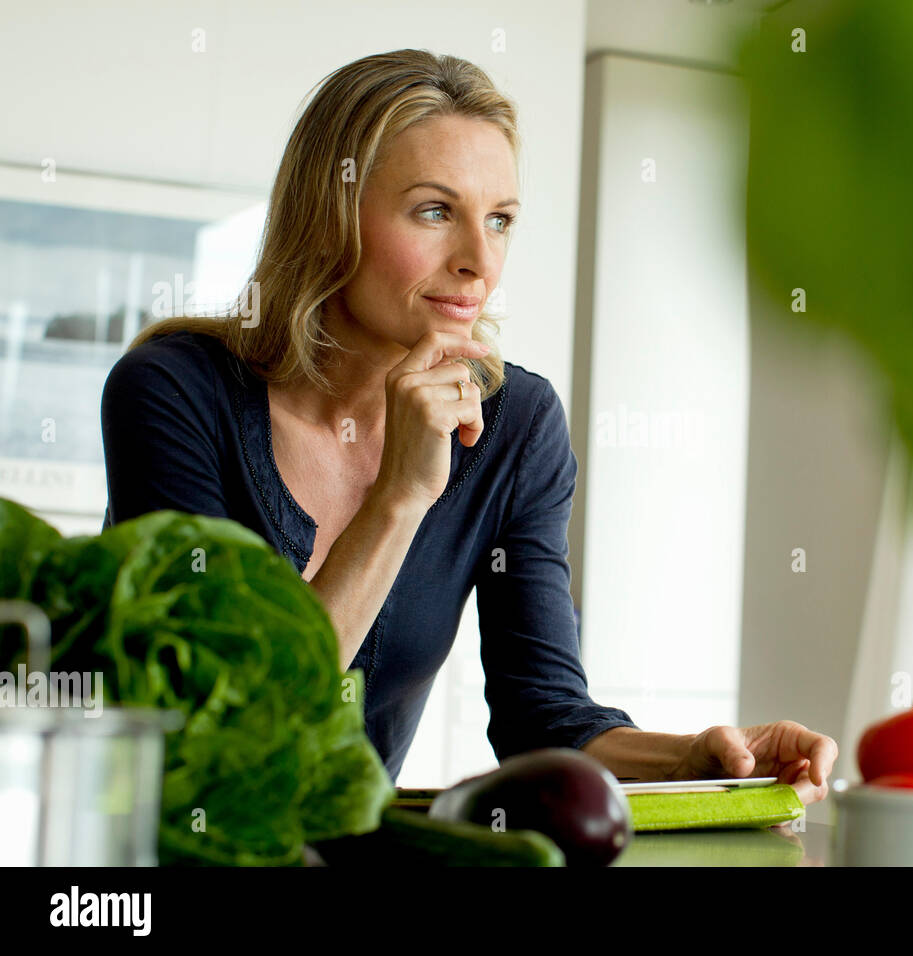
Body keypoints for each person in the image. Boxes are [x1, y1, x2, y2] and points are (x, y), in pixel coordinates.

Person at [100, 49, 837, 807]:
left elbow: (541, 715)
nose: (479, 262)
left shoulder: (516, 425)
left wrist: (695, 758)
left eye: (500, 221)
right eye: (434, 211)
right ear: (330, 215)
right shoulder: (172, 392)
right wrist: (399, 500)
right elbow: (230, 719)